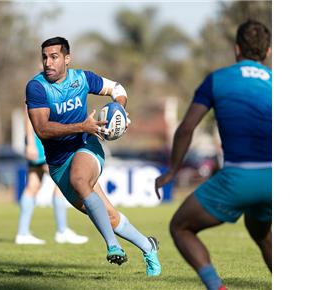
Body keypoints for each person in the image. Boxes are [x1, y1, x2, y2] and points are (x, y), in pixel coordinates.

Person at [25, 36, 161, 276]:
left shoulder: (83, 79)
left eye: (54, 57)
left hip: (87, 146)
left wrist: (119, 109)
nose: (48, 62)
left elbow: (117, 89)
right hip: (58, 164)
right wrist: (82, 126)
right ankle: (148, 247)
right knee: (107, 215)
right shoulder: (37, 87)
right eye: (44, 57)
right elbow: (42, 129)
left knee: (79, 179)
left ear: (67, 59)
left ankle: (113, 246)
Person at [155, 19, 271, 290]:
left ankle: (216, 287)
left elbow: (186, 129)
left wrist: (172, 170)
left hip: (239, 177)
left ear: (237, 49)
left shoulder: (218, 79)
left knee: (180, 227)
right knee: (261, 232)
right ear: (267, 52)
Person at [15, 108, 89, 245]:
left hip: (42, 138)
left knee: (33, 184)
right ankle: (62, 231)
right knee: (62, 179)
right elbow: (28, 112)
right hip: (42, 140)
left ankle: (23, 232)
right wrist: (30, 143)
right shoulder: (37, 86)